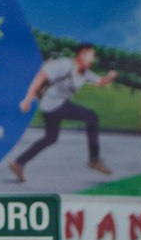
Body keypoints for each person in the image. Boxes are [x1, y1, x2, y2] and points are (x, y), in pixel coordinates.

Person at [9, 43, 119, 181]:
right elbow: (41, 76)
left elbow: (101, 82)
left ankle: (18, 163)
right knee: (91, 116)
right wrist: (27, 99)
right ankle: (94, 159)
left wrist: (110, 76)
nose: (94, 60)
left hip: (56, 105)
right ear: (82, 54)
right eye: (92, 56)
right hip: (53, 104)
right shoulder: (65, 65)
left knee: (50, 138)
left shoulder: (85, 73)